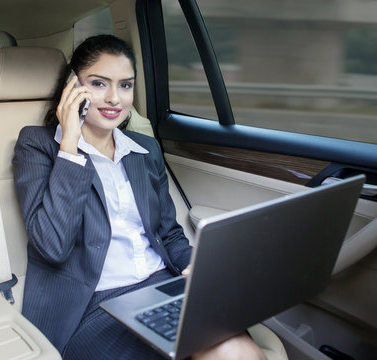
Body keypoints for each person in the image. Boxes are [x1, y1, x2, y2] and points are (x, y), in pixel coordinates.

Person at [13, 34, 265, 360]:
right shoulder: (38, 145)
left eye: (126, 85)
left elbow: (169, 233)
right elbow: (52, 246)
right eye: (99, 83)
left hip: (162, 286)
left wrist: (195, 268)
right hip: (92, 305)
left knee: (240, 350)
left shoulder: (144, 149)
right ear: (73, 88)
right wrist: (70, 144)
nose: (115, 98)